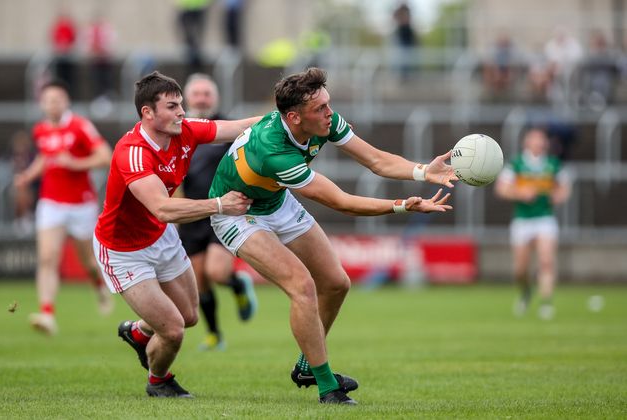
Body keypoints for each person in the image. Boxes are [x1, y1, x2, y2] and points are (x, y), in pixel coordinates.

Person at [209, 67, 456, 405]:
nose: (330, 113)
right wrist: (401, 206)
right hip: (238, 213)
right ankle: (328, 387)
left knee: (336, 283)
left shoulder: (322, 122)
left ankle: (306, 365)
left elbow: (377, 161)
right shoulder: (273, 151)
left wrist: (424, 171)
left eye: (328, 104)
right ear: (295, 118)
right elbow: (342, 203)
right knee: (302, 286)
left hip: (275, 201)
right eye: (320, 109)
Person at [92, 71, 259, 398]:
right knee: (173, 328)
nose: (182, 112)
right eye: (172, 106)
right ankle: (159, 381)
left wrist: (288, 117)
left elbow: (239, 127)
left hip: (161, 237)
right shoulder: (133, 152)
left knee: (189, 316)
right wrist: (220, 205)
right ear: (148, 113)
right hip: (124, 249)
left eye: (181, 104)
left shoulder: (185, 130)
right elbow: (163, 209)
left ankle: (138, 334)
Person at [13, 80, 114, 335]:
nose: (52, 104)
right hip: (51, 202)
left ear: (66, 101)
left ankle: (98, 285)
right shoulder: (40, 130)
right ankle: (47, 313)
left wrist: (75, 163)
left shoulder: (80, 126)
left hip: (81, 203)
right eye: (48, 100)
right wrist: (28, 175)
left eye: (57, 99)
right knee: (47, 257)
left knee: (89, 261)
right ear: (42, 104)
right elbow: (45, 158)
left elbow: (106, 156)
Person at [179, 73, 257, 351]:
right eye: (196, 93)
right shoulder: (179, 131)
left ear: (216, 97)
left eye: (206, 93)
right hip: (192, 213)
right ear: (187, 99)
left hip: (224, 213)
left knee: (216, 271)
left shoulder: (226, 129)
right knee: (199, 281)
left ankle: (236, 284)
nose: (201, 98)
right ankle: (214, 334)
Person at [494, 127, 571, 320]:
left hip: (545, 218)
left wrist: (557, 197)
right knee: (520, 270)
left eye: (540, 139)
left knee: (546, 261)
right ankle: (526, 292)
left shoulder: (553, 164)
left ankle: (546, 303)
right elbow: (501, 189)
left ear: (545, 143)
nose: (537, 143)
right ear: (526, 143)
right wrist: (520, 193)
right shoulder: (517, 164)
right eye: (533, 139)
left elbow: (564, 189)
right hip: (522, 220)